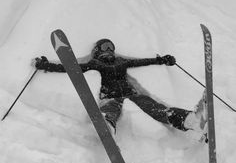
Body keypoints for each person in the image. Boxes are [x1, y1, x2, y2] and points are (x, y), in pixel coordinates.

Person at [34, 38, 207, 138]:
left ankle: (189, 120)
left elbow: (141, 61)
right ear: (97, 50)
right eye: (105, 46)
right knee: (111, 107)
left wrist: (161, 60)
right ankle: (107, 124)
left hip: (130, 92)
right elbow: (72, 68)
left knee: (154, 108)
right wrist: (47, 65)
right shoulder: (94, 63)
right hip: (110, 94)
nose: (109, 49)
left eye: (111, 47)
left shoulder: (121, 61)